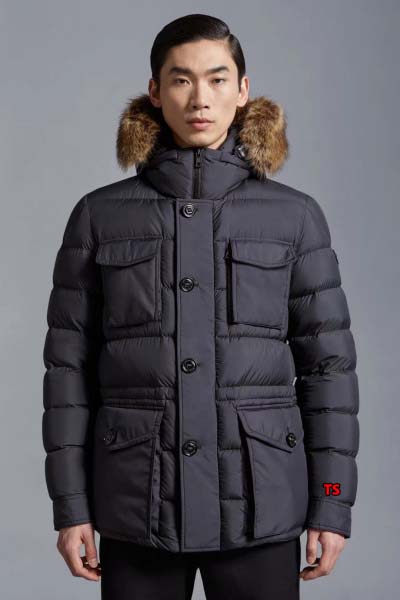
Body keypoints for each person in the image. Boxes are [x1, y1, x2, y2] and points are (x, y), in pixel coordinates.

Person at [42, 13, 360, 599]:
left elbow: (329, 370)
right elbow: (68, 372)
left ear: (243, 91)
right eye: (181, 79)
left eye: (217, 79)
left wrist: (333, 504)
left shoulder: (295, 216)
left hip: (262, 510)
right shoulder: (98, 216)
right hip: (136, 508)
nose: (200, 99)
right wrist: (70, 506)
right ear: (155, 91)